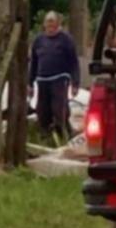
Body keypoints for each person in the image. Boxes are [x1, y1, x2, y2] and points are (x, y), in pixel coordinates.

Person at [29, 11, 80, 144]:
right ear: (44, 25)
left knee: (59, 110)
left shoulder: (66, 39)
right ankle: (45, 137)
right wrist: (30, 83)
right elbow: (34, 63)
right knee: (42, 111)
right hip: (43, 80)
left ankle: (64, 135)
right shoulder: (38, 40)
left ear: (58, 24)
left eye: (53, 23)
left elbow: (74, 62)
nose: (50, 26)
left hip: (60, 79)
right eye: (48, 23)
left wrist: (75, 83)